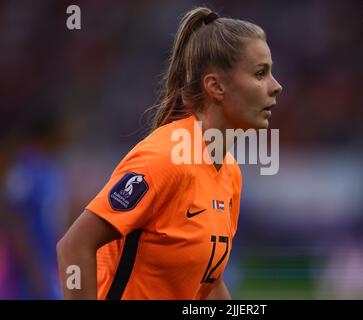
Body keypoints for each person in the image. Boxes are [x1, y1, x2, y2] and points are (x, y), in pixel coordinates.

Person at [56, 6, 282, 300]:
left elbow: (208, 283)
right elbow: (74, 247)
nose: (276, 86)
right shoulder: (164, 159)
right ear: (216, 86)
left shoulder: (229, 173)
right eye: (260, 73)